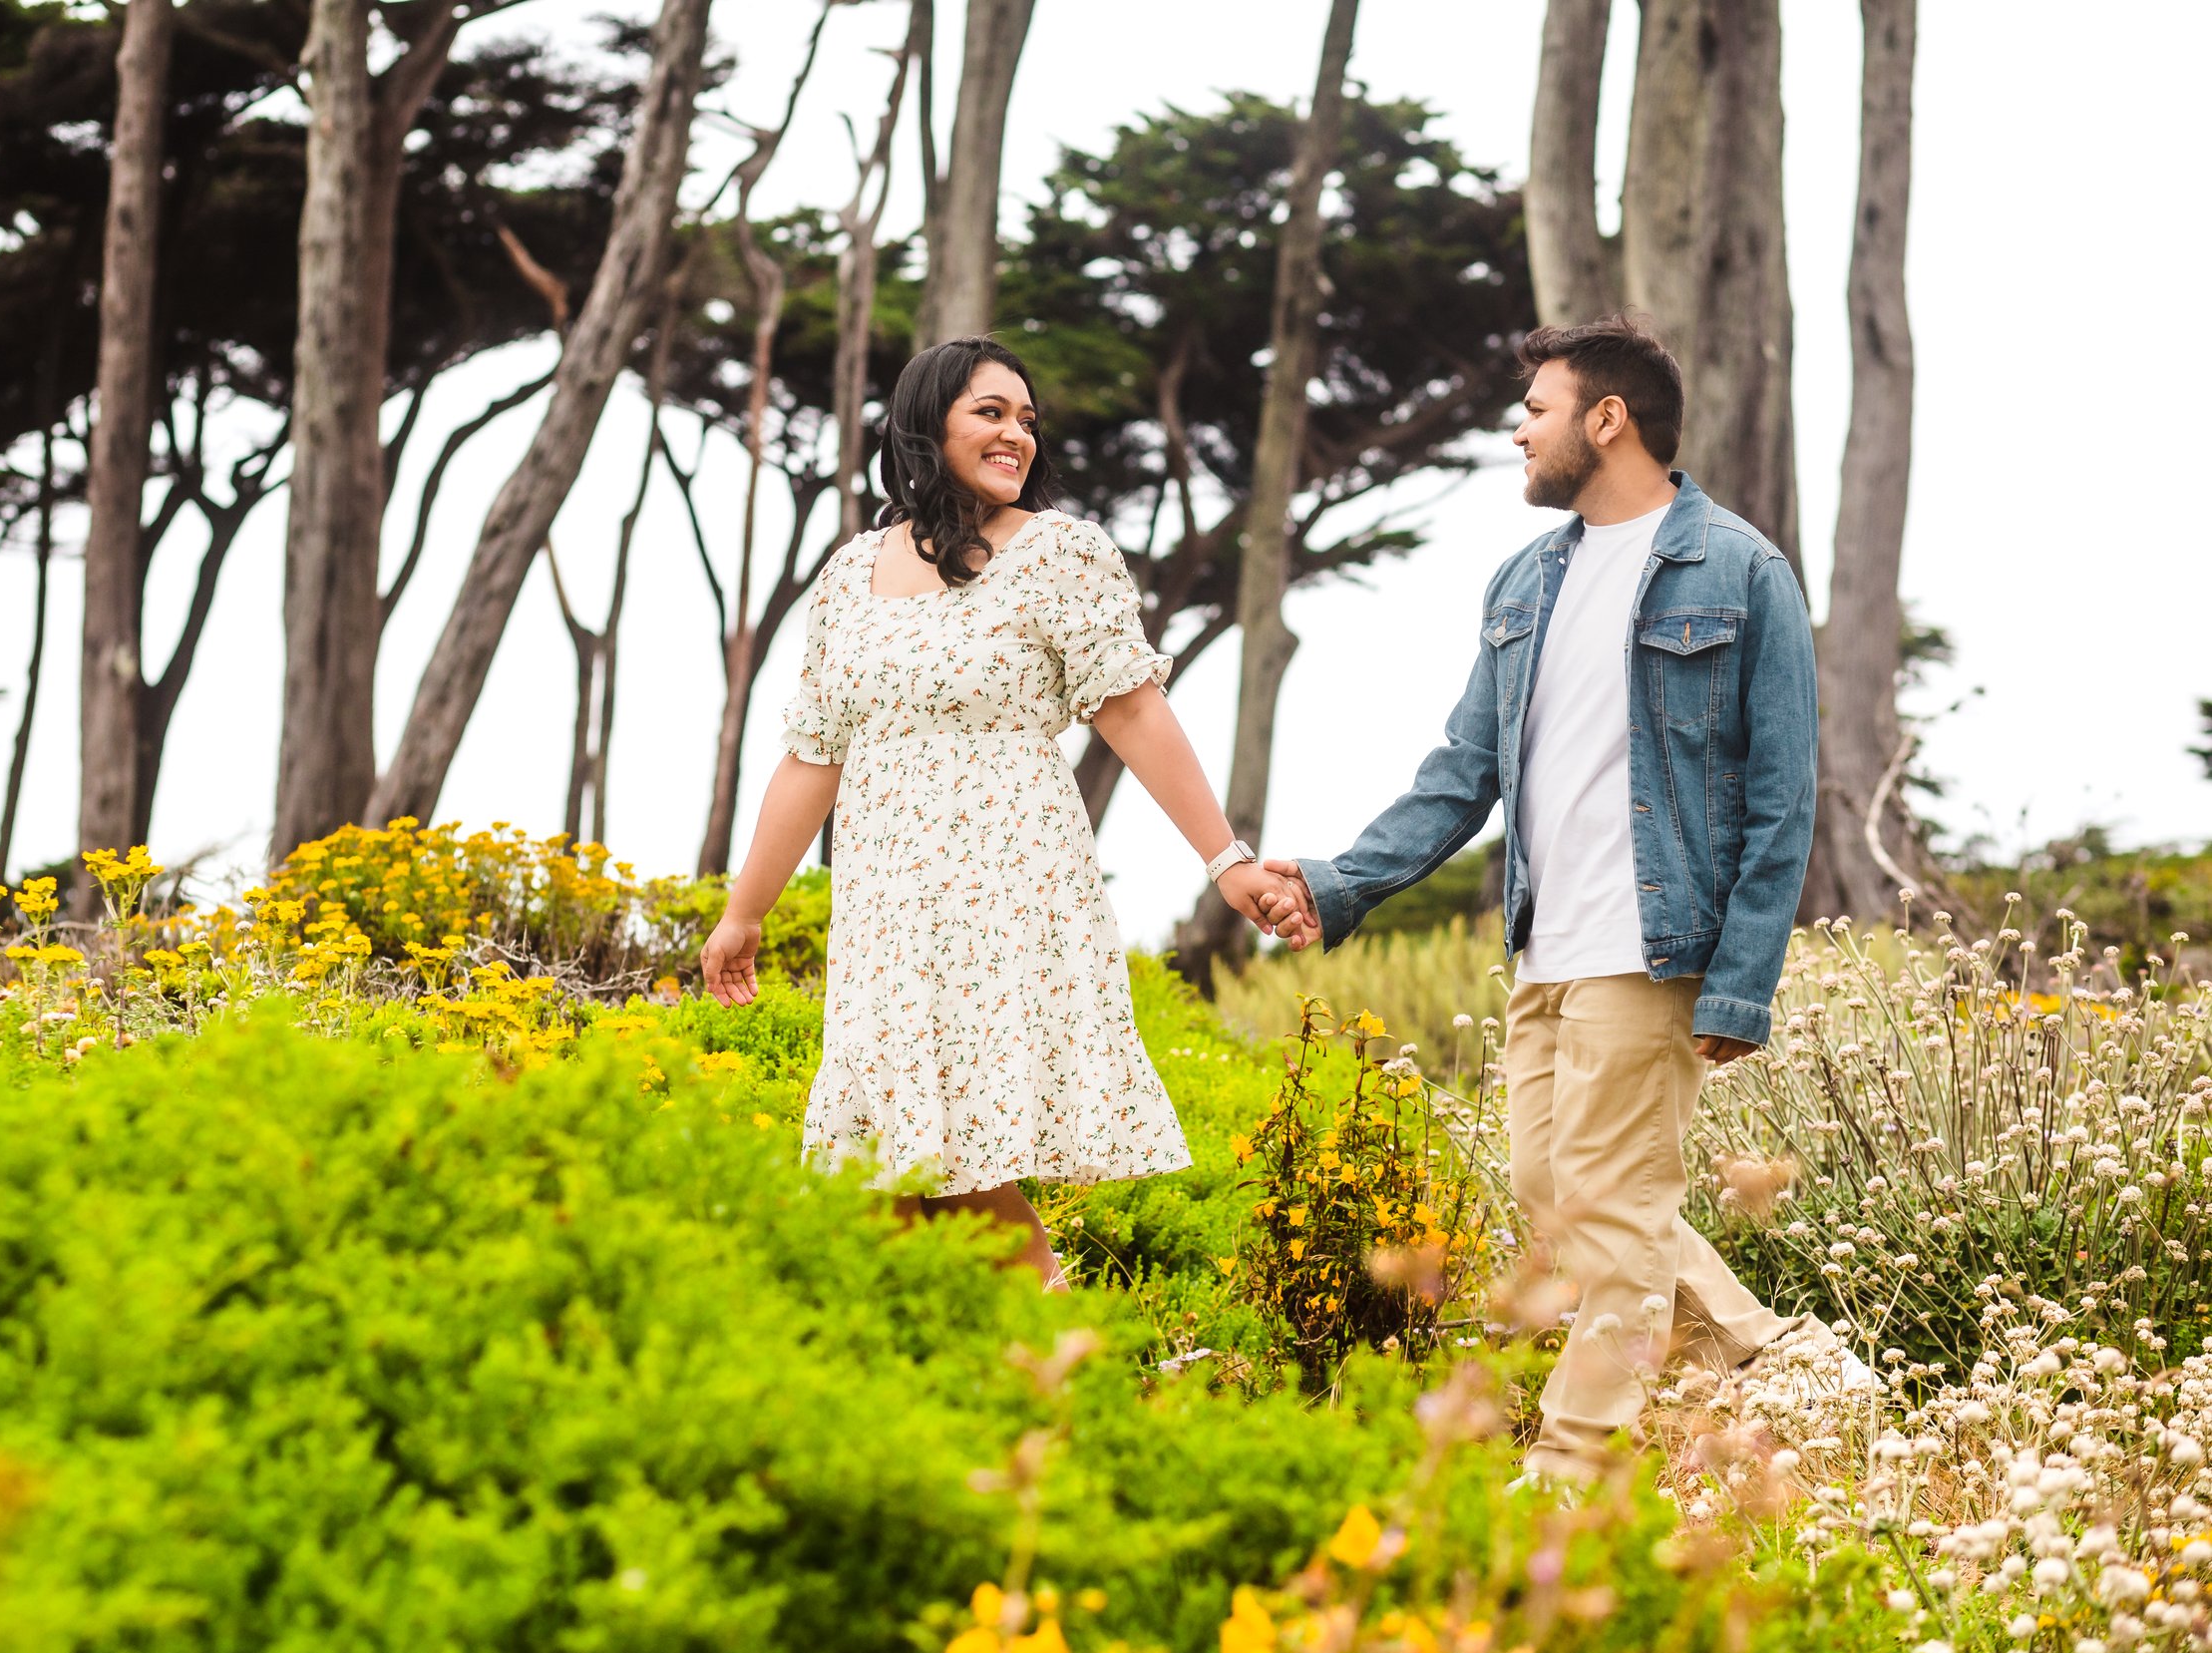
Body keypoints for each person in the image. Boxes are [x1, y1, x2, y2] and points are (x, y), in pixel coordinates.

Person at [1259, 314, 1867, 1482]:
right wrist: (1338, 884)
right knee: (1561, 1198)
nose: (1517, 430)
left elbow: (1785, 798)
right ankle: (1778, 1358)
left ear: (1606, 419)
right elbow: (1460, 773)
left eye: (1534, 410)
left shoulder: (1739, 570)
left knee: (1616, 1209)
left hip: (1656, 942)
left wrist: (1741, 978)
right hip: (1545, 946)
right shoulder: (1526, 580)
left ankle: (1570, 1476)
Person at [701, 337, 1293, 1288]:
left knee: (945, 1160)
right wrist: (746, 911)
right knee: (889, 1175)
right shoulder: (850, 573)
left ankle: (1062, 1375)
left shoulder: (1060, 552)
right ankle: (1012, 1387)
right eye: (991, 411)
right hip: (885, 909)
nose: (1017, 432)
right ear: (927, 421)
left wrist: (1227, 860)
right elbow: (813, 757)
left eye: (1027, 418)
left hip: (1007, 890)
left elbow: (1134, 710)